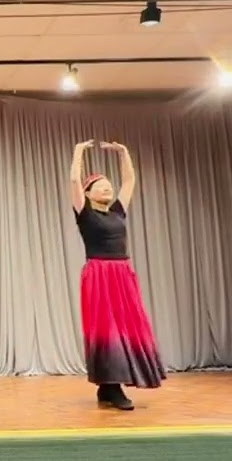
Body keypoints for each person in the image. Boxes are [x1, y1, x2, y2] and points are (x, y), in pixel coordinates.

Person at [69, 139, 166, 411]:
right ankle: (114, 386)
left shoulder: (118, 212)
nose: (108, 187)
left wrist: (124, 153)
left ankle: (107, 386)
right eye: (101, 185)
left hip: (122, 273)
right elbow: (74, 180)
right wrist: (79, 152)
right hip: (99, 274)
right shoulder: (85, 214)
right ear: (88, 193)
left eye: (109, 185)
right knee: (105, 329)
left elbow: (129, 180)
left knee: (125, 327)